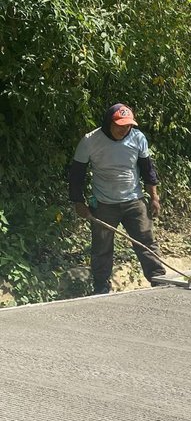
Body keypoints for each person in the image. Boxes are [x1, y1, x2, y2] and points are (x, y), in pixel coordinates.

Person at [68, 103, 165, 294]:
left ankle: (159, 280)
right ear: (108, 123)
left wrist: (154, 196)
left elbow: (148, 170)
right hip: (104, 204)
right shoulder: (90, 141)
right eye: (119, 125)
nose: (124, 129)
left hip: (134, 201)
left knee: (146, 241)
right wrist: (78, 202)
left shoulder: (138, 138)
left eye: (128, 125)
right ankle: (101, 287)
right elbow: (76, 175)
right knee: (101, 248)